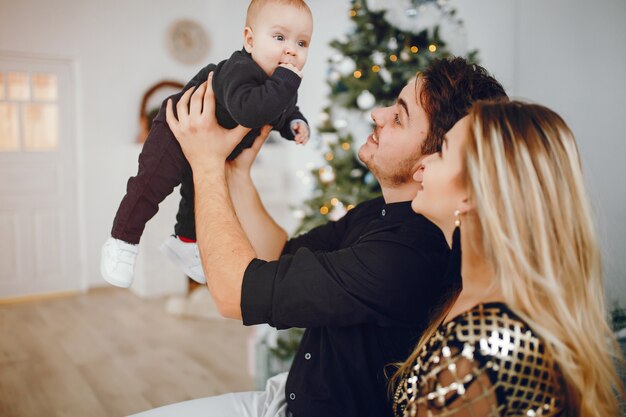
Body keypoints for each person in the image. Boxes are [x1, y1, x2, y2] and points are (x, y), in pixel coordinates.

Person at [126, 58, 507, 417]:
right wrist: (236, 173)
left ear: (431, 159)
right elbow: (280, 254)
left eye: (399, 117)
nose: (377, 114)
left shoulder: (406, 255)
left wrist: (205, 165)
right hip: (288, 397)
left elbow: (233, 294)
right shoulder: (381, 212)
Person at [392, 101, 624, 417]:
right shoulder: (465, 296)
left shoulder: (480, 348)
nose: (422, 164)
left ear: (473, 192)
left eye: (442, 151)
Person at [101, 0, 313, 288]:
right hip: (178, 130)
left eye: (302, 43)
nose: (291, 50)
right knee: (151, 185)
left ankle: (186, 243)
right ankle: (121, 240)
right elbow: (250, 110)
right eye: (279, 37)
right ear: (249, 40)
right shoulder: (241, 69)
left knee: (199, 196)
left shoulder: (280, 87)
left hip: (212, 148)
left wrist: (293, 124)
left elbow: (281, 111)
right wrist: (287, 81)